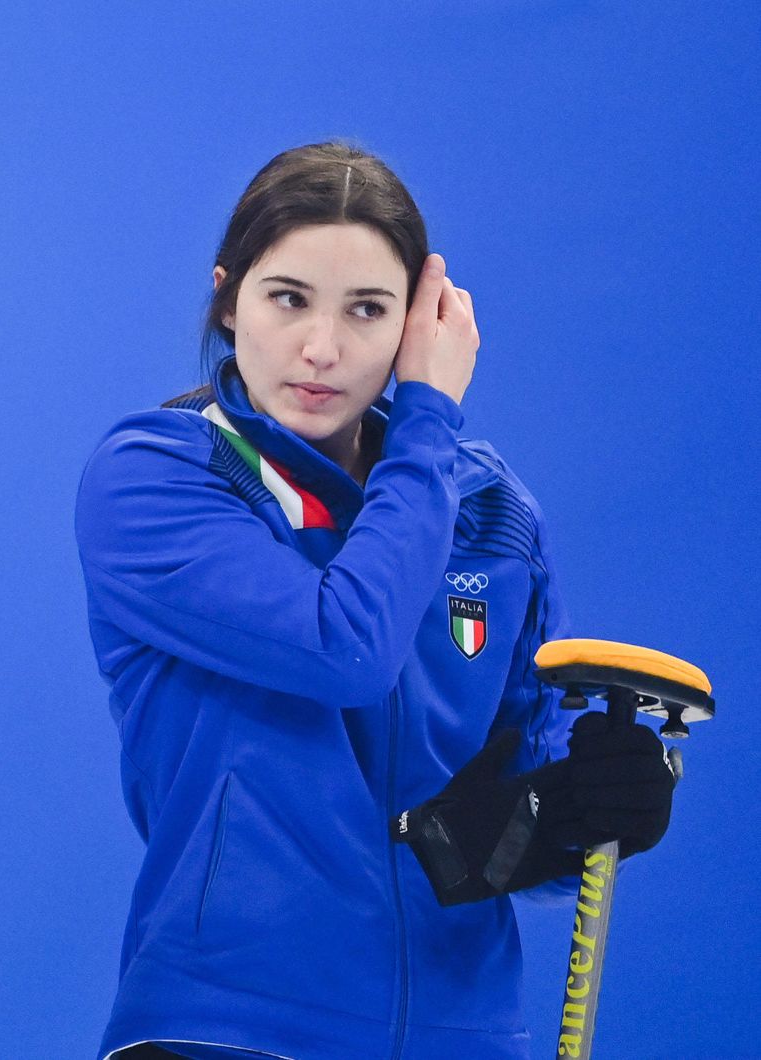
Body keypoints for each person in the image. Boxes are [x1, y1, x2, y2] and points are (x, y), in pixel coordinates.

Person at [74, 142, 675, 1059]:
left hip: (466, 1032)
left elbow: (501, 797)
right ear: (228, 296)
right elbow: (344, 647)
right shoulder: (160, 475)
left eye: (368, 310)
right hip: (228, 1029)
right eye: (288, 299)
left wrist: (586, 811)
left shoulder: (489, 509)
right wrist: (430, 413)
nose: (323, 348)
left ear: (415, 324)